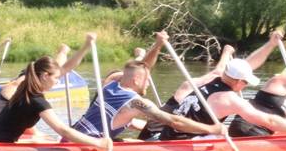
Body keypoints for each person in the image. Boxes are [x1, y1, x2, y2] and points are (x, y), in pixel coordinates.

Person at [71, 46, 229, 141]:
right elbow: (174, 121)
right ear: (136, 80)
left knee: (131, 142)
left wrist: (147, 51)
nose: (148, 82)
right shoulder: (136, 103)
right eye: (147, 79)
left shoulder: (110, 85)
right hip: (87, 146)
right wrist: (212, 129)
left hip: (71, 137)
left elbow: (133, 68)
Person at [157, 55, 286, 141]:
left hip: (167, 135)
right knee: (223, 136)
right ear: (236, 80)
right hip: (184, 141)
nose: (246, 86)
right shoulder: (229, 98)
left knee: (224, 132)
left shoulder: (212, 81)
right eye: (245, 82)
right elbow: (268, 121)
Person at [0, 35, 93, 143]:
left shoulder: (27, 88)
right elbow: (60, 69)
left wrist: (77, 49)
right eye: (55, 77)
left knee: (43, 137)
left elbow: (61, 69)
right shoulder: (20, 88)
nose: (58, 79)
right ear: (42, 76)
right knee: (41, 139)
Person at [0, 54, 111, 148]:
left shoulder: (25, 90)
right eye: (56, 78)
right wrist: (98, 143)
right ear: (45, 76)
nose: (57, 82)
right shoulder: (36, 100)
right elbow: (63, 131)